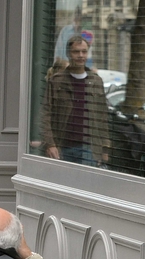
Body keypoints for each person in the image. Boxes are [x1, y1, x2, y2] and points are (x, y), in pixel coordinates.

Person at [41, 35, 110, 167]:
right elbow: (46, 114)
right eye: (76, 51)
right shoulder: (57, 81)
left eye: (84, 51)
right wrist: (50, 144)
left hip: (89, 148)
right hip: (62, 147)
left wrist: (105, 148)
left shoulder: (96, 81)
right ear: (68, 54)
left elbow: (103, 117)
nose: (80, 55)